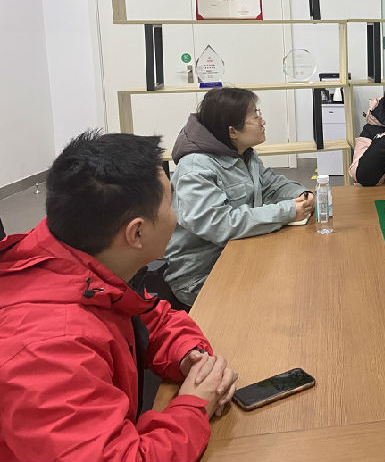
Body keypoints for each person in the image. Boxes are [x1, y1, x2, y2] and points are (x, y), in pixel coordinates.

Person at [0, 131, 238, 461]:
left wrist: (189, 355)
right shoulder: (48, 351)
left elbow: (149, 316)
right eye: (172, 203)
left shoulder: (79, 259)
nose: (177, 216)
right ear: (136, 232)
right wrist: (195, 406)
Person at [164, 88, 314, 307]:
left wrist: (301, 195)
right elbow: (220, 224)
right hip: (202, 277)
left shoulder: (243, 153)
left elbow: (271, 185)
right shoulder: (195, 168)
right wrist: (287, 211)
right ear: (233, 131)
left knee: (303, 275)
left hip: (241, 255)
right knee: (287, 299)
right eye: (255, 116)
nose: (263, 121)